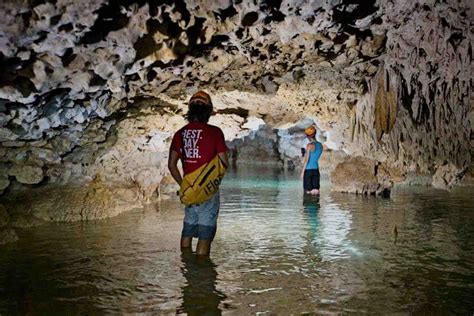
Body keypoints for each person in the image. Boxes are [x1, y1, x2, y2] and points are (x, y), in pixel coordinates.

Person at [168, 91, 229, 256]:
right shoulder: (215, 132)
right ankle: (201, 276)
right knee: (205, 236)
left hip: (189, 190)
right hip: (208, 192)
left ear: (190, 109)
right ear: (208, 110)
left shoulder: (179, 134)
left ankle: (186, 265)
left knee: (187, 232)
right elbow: (224, 163)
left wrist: (184, 185)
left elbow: (171, 165)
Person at [300, 126, 323, 195]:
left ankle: (309, 204)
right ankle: (316, 204)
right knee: (316, 191)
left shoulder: (309, 146)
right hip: (316, 170)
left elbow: (307, 160)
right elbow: (315, 157)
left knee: (308, 192)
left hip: (308, 170)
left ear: (308, 136)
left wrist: (302, 172)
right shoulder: (320, 145)